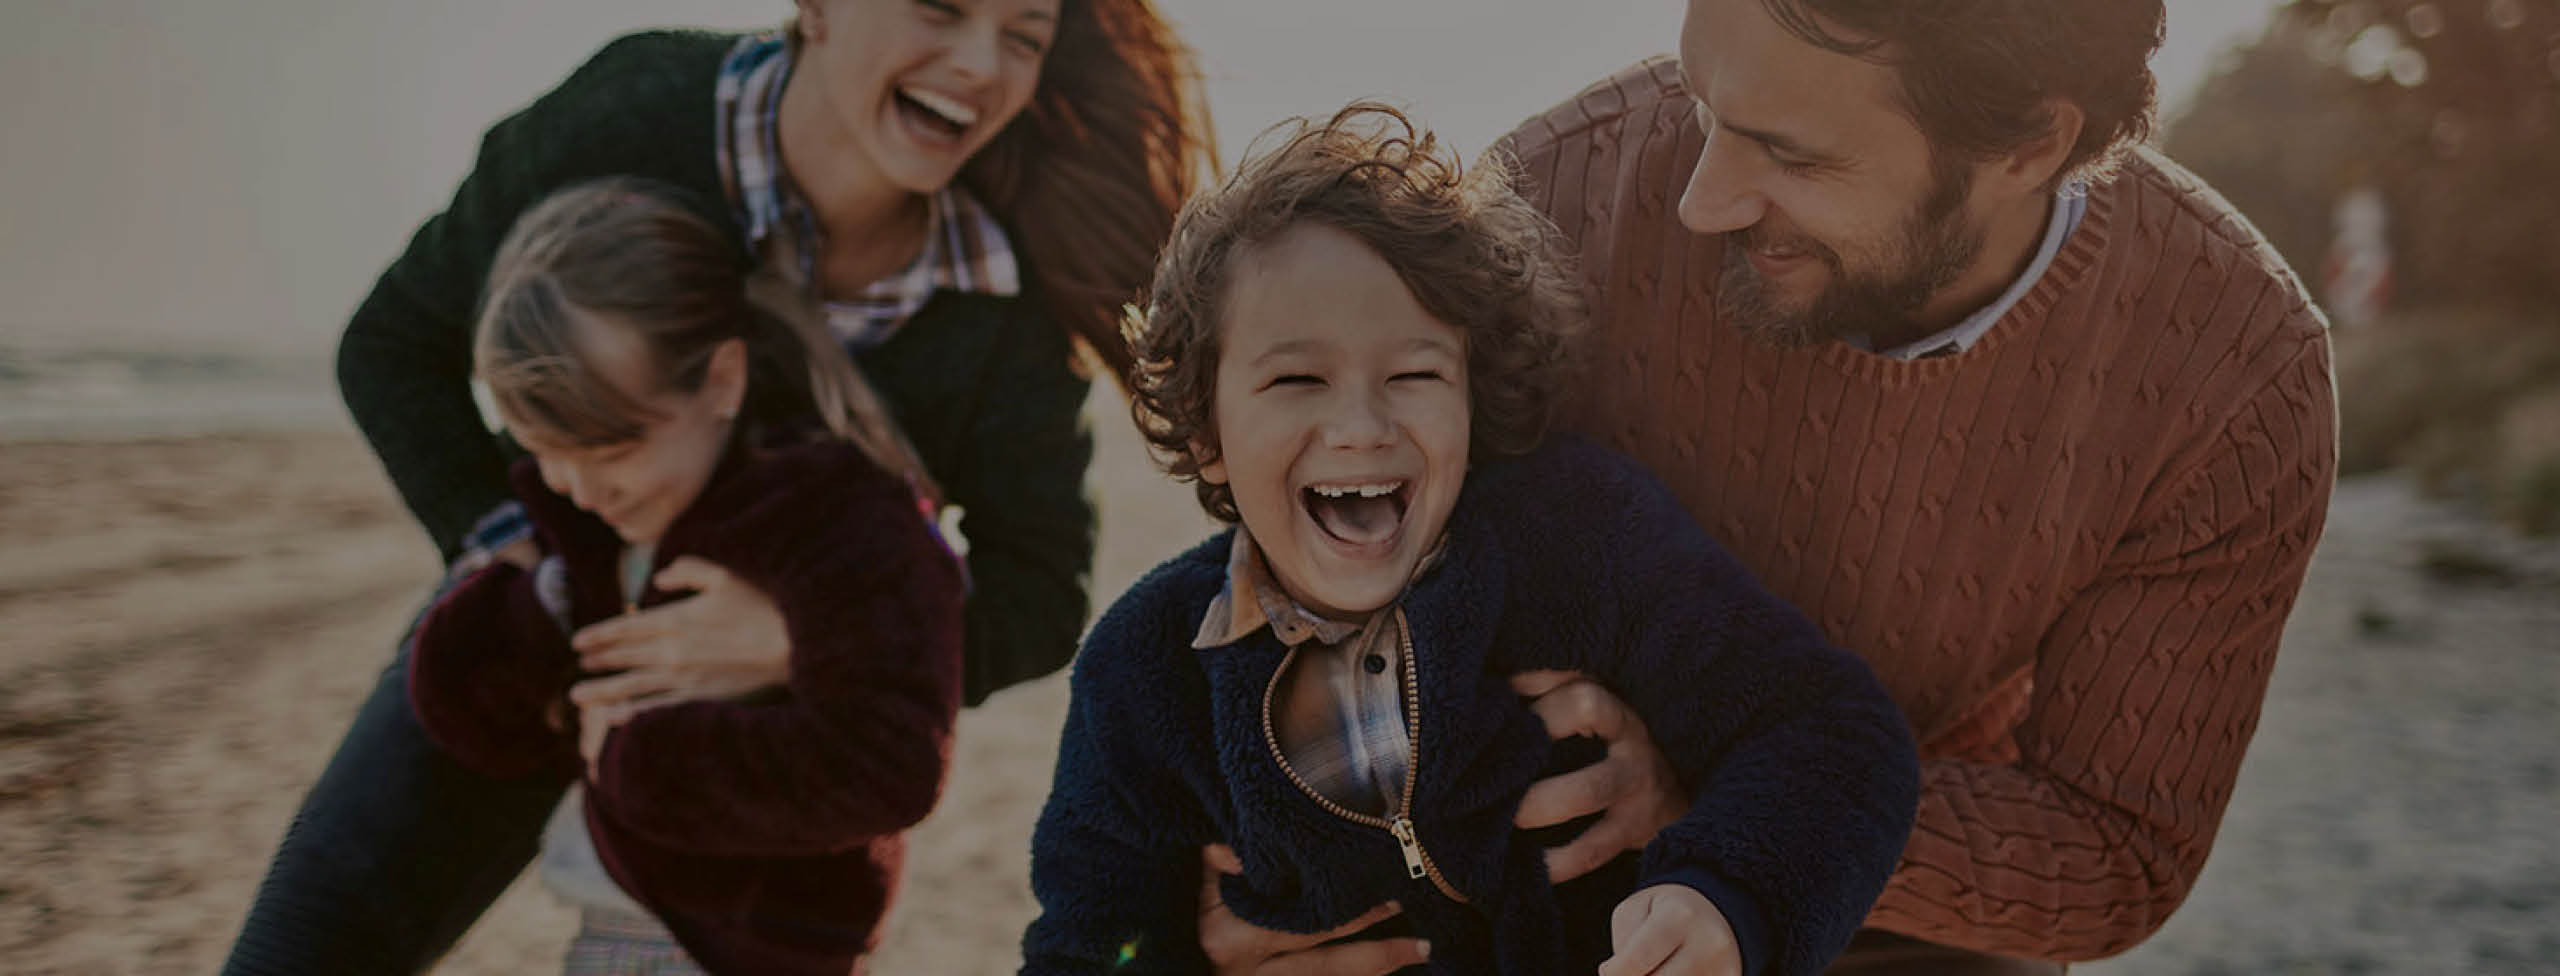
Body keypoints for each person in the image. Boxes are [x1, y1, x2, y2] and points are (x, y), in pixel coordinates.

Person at [1199, 1, 2340, 972]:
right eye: (1702, 105)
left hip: (1898, 925)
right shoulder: (1551, 197)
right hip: (1519, 900)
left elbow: (2114, 848)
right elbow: (1296, 575)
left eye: (1790, 155)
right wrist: (1201, 908)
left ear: (2030, 146)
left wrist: (1732, 810)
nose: (1700, 198)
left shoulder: (2232, 375)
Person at [223, 2, 1210, 971]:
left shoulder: (1007, 306)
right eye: (940, 8)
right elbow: (395, 348)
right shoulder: (633, 113)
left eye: (1024, 34)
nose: (981, 63)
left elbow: (1040, 590)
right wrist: (535, 559)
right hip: (536, 649)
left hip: (766, 764)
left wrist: (803, 636)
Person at [1022, 104, 1921, 976]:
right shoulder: (1142, 673)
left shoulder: (1579, 535)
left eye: (1414, 373)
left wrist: (1729, 898)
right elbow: (1087, 945)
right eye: (1297, 378)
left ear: (1471, 396)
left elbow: (1826, 731)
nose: (1361, 426)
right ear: (1210, 437)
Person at [406, 179, 965, 975]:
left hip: (765, 951)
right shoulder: (583, 528)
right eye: (544, 449)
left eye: (610, 449)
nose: (577, 483)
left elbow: (890, 766)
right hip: (607, 928)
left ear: (722, 381)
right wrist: (524, 609)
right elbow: (479, 716)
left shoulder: (839, 518)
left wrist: (641, 764)